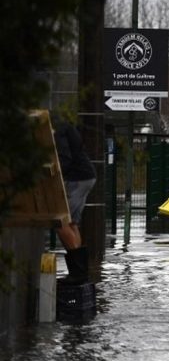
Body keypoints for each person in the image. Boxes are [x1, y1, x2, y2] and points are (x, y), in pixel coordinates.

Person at [53, 118, 94, 282]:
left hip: (77, 178)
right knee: (71, 223)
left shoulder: (59, 128)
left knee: (60, 222)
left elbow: (64, 159)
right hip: (85, 176)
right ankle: (79, 272)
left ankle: (78, 272)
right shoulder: (67, 125)